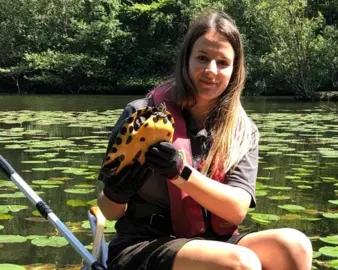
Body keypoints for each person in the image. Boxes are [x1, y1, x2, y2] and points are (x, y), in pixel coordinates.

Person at [97, 10, 313, 270]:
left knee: (294, 245)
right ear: (186, 59)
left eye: (223, 62)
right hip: (143, 243)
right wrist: (117, 190)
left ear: (235, 70)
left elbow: (236, 211)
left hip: (214, 240)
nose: (211, 70)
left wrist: (180, 172)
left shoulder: (243, 131)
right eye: (202, 58)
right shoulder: (140, 116)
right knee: (240, 263)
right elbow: (109, 211)